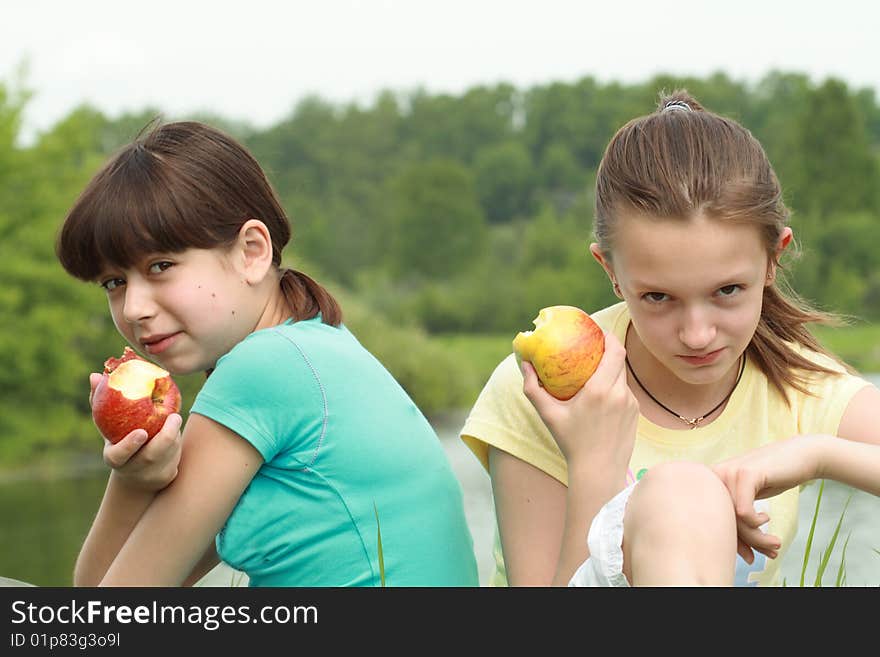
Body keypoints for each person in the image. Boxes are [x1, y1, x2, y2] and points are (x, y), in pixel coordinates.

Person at [460, 90, 880, 587]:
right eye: (658, 298)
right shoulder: (547, 390)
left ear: (773, 259)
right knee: (680, 493)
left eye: (728, 290)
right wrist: (594, 463)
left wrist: (816, 454)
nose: (697, 334)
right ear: (611, 272)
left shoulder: (799, 383)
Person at [56, 120, 479, 587]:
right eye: (114, 283)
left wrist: (130, 483)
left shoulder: (263, 370)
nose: (134, 308)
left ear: (252, 252)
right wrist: (135, 476)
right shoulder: (316, 344)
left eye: (160, 266)